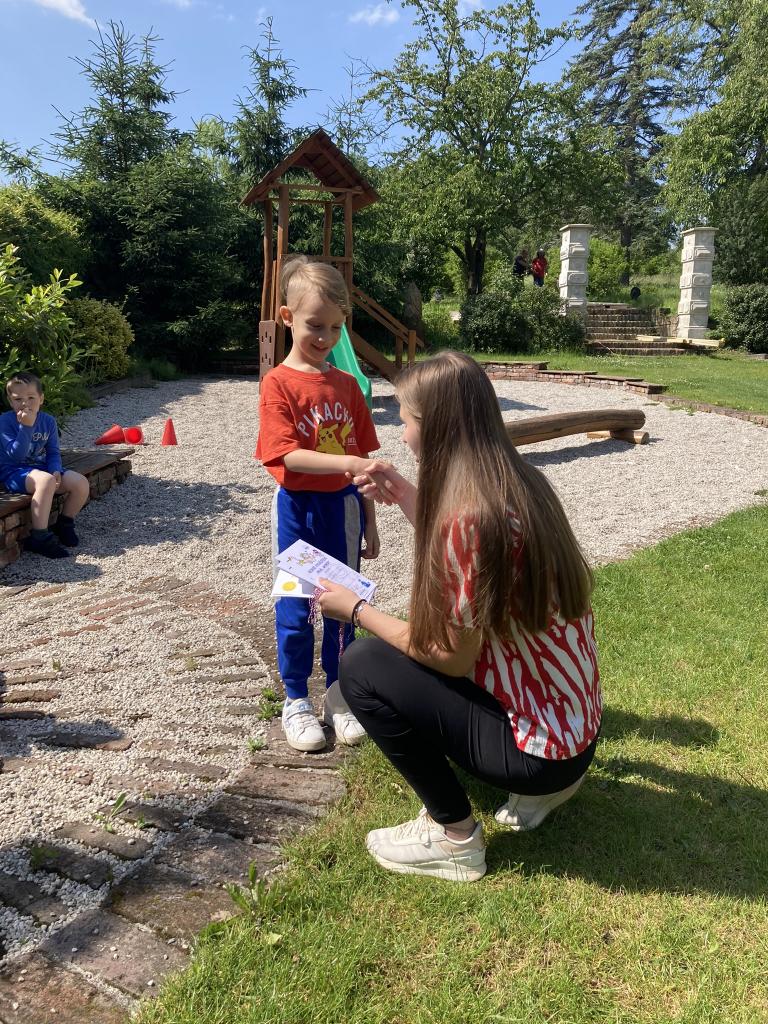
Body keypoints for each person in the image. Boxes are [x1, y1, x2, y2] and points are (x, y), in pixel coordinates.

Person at [316, 351, 601, 882]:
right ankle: (549, 786)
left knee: (363, 666)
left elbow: (448, 658)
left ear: (435, 427)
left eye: (405, 420)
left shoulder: (466, 520)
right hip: (575, 732)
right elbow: (472, 555)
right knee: (397, 654)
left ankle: (454, 837)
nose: (402, 433)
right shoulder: (523, 482)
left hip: (540, 757)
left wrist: (355, 609)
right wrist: (406, 494)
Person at [256, 256, 381, 753]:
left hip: (343, 512)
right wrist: (348, 463)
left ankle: (338, 694)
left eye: (335, 327)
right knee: (294, 605)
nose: (325, 337)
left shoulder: (349, 387)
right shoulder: (277, 384)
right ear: (288, 318)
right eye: (314, 325)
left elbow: (362, 462)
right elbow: (284, 454)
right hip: (296, 511)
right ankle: (295, 700)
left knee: (343, 606)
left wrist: (370, 521)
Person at [0, 371, 89, 559]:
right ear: (10, 401)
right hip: (14, 472)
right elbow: (16, 456)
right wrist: (26, 426)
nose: (25, 403)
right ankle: (39, 538)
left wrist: (55, 469)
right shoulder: (5, 422)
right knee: (46, 481)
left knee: (80, 483)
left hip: (41, 470)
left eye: (31, 398)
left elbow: (53, 452)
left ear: (41, 399)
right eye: (18, 399)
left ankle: (64, 524)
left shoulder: (48, 421)